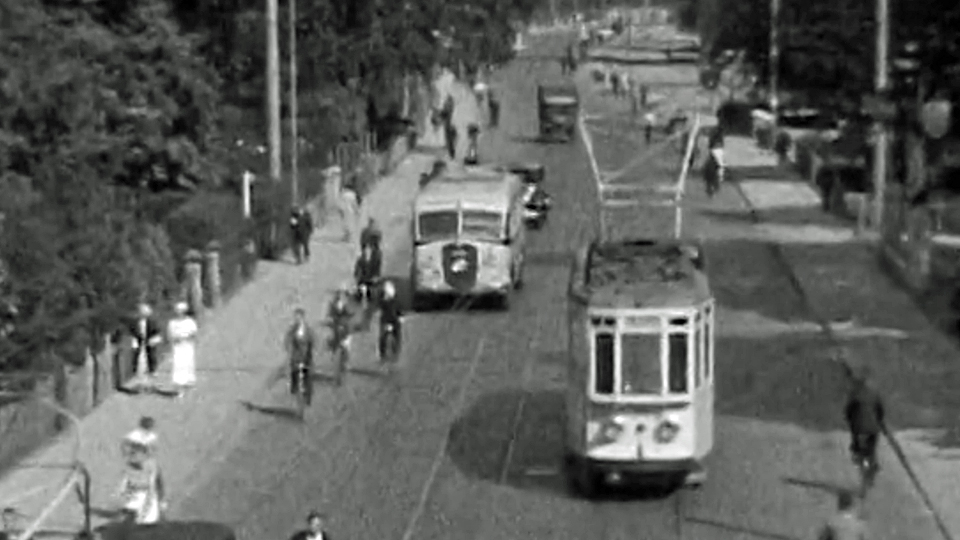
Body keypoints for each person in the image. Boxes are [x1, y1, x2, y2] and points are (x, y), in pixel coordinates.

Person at [844, 365, 885, 472]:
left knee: (856, 445)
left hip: (859, 428)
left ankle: (859, 458)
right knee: (871, 447)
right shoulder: (874, 393)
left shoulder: (855, 395)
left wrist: (849, 420)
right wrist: (879, 421)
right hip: (873, 428)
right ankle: (872, 463)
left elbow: (849, 412)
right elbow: (880, 411)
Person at [119, 443, 165, 524]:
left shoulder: (151, 467)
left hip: (147, 500)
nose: (130, 457)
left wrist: (144, 513)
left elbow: (152, 491)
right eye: (131, 454)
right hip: (136, 498)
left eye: (134, 453)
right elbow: (123, 488)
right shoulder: (130, 467)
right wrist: (126, 493)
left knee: (147, 522)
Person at [285, 308, 317, 402]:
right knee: (293, 371)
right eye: (296, 318)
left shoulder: (308, 330)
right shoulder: (292, 330)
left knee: (308, 373)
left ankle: (308, 394)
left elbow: (313, 340)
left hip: (306, 356)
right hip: (296, 357)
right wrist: (288, 348)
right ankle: (294, 387)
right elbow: (287, 340)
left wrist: (311, 349)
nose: (298, 320)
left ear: (303, 318)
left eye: (299, 317)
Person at [167, 302, 198, 396]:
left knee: (187, 364)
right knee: (178, 366)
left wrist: (187, 337)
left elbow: (194, 333)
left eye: (181, 310)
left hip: (187, 346)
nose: (179, 312)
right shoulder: (172, 323)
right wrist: (175, 339)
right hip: (177, 347)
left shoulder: (190, 322)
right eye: (177, 310)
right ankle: (179, 388)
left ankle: (188, 383)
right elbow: (170, 335)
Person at [130, 303, 163, 385]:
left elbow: (158, 333)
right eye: (141, 312)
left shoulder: (152, 322)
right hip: (140, 345)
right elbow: (133, 333)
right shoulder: (135, 322)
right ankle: (140, 380)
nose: (142, 314)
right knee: (139, 363)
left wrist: (154, 340)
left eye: (144, 312)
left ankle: (152, 373)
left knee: (151, 358)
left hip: (149, 344)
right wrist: (134, 340)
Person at [378, 280, 404, 360]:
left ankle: (395, 351)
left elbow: (399, 310)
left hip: (394, 321)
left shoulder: (395, 301)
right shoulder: (383, 301)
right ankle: (383, 353)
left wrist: (401, 317)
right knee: (383, 336)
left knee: (397, 335)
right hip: (386, 321)